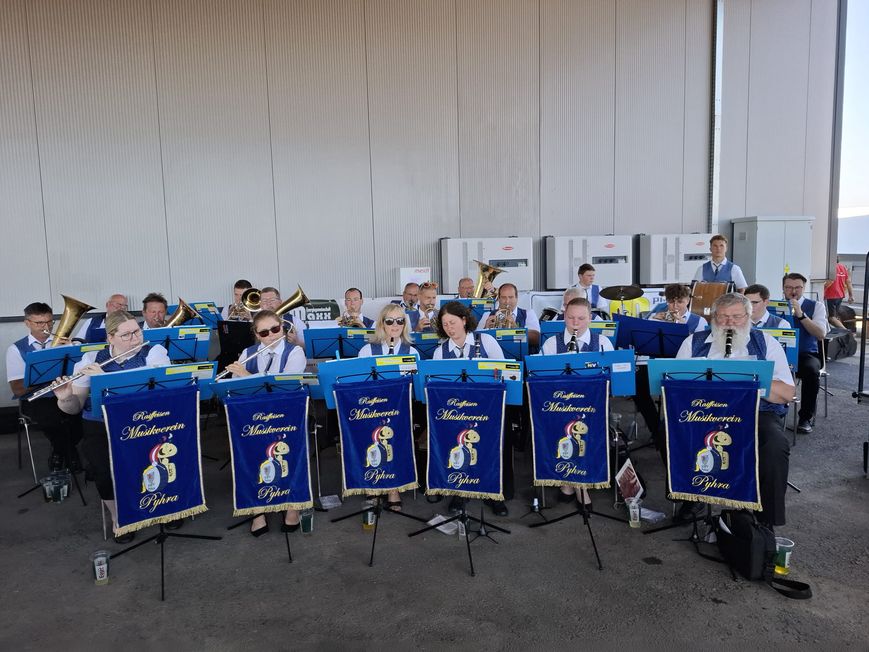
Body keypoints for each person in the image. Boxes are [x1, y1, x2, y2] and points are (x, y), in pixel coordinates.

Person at [675, 293, 793, 527]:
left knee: (775, 444)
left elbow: (787, 393)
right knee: (668, 431)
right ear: (713, 318)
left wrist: (750, 380)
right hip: (704, 412)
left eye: (737, 317)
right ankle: (693, 493)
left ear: (748, 317)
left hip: (756, 411)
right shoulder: (693, 342)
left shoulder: (766, 343)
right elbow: (673, 386)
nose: (729, 323)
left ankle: (766, 520)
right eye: (723, 317)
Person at [54, 311, 171, 543]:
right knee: (102, 471)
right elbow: (74, 408)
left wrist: (105, 380)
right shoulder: (91, 359)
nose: (135, 338)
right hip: (100, 424)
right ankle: (119, 517)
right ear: (110, 337)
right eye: (126, 335)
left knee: (154, 463)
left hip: (142, 422)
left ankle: (163, 506)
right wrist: (65, 398)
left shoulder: (154, 353)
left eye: (137, 332)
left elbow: (157, 398)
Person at [223, 310, 307, 536]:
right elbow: (235, 389)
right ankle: (257, 509)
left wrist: (246, 375)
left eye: (275, 329)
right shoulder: (248, 353)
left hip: (286, 416)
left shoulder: (294, 352)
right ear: (256, 334)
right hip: (254, 418)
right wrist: (238, 376)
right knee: (249, 455)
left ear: (282, 328)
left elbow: (285, 388)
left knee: (289, 455)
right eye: (264, 332)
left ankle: (292, 506)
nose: (271, 335)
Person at [431, 302, 509, 516]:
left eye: (453, 322)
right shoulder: (440, 351)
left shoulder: (486, 341)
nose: (449, 328)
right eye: (445, 324)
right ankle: (460, 491)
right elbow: (438, 387)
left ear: (464, 320)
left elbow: (504, 374)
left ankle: (492, 492)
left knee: (490, 448)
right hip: (457, 411)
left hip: (486, 409)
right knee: (458, 448)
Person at [357, 304, 420, 511]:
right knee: (370, 441)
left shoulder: (412, 352)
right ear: (382, 324)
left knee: (396, 443)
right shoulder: (367, 350)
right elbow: (359, 384)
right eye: (390, 321)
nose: (395, 325)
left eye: (400, 321)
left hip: (399, 409)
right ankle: (374, 483)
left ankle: (394, 488)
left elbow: (415, 387)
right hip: (373, 408)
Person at [6, 302, 83, 471]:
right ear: (27, 323)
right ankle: (69, 453)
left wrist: (73, 349)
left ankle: (59, 452)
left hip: (65, 392)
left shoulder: (63, 344)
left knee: (81, 416)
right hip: (37, 398)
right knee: (53, 419)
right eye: (39, 323)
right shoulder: (16, 349)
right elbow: (17, 388)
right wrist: (46, 376)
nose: (46, 327)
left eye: (49, 322)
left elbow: (80, 373)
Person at [783, 273, 829, 434]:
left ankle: (805, 418)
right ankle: (770, 414)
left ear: (804, 288)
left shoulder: (816, 306)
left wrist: (801, 315)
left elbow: (820, 334)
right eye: (789, 287)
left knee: (811, 370)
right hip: (780, 354)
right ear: (783, 288)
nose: (793, 291)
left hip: (805, 353)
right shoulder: (775, 305)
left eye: (797, 287)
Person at [478, 283, 541, 350]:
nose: (507, 301)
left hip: (520, 355)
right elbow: (475, 339)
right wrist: (485, 329)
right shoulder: (487, 315)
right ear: (499, 299)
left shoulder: (528, 314)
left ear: (516, 298)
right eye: (503, 297)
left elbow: (536, 338)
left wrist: (516, 328)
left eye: (510, 297)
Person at [541, 298, 614, 355]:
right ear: (565, 317)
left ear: (590, 318)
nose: (575, 323)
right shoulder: (551, 344)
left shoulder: (603, 343)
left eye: (581, 318)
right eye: (571, 317)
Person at [823, 259, 855, 330]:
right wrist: (851, 296)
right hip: (840, 296)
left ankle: (846, 332)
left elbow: (830, 281)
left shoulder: (831, 267)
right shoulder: (843, 267)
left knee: (831, 318)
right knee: (834, 317)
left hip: (830, 296)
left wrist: (821, 290)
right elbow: (848, 282)